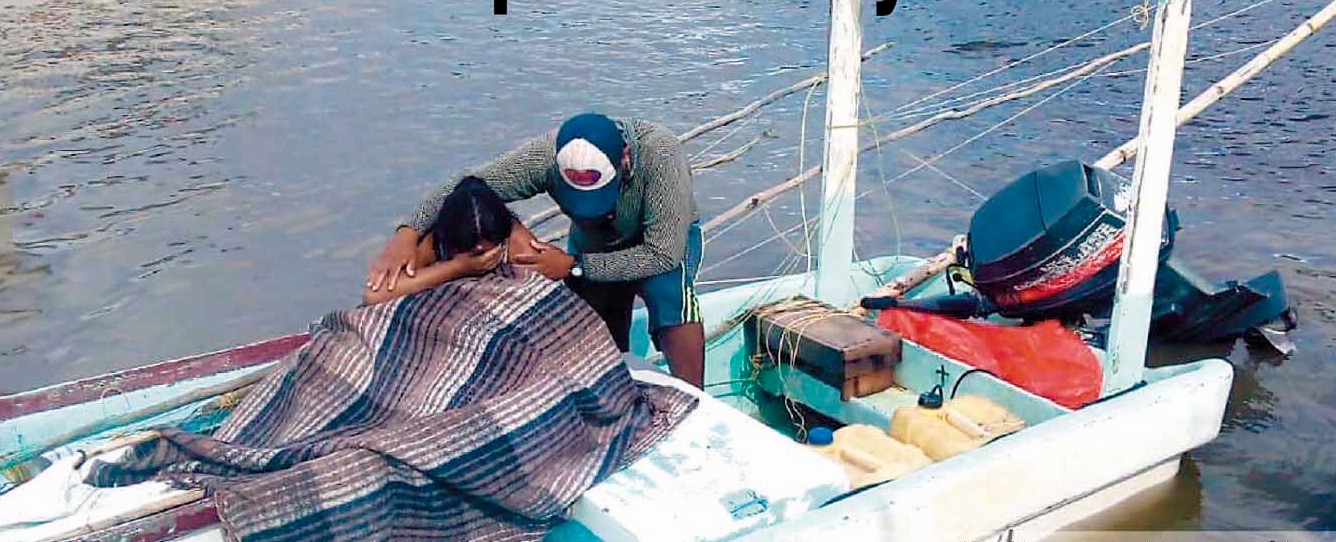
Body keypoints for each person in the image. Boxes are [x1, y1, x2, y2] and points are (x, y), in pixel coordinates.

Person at [365, 113, 705, 388]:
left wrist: (575, 266)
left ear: (625, 158)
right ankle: (615, 383)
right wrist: (407, 232)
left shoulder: (660, 155)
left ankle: (695, 399)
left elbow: (662, 253)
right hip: (593, 241)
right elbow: (468, 184)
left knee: (669, 295)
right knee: (600, 316)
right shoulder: (545, 156)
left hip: (662, 243)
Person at [361, 176, 539, 306]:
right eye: (470, 249)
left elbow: (538, 288)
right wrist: (457, 268)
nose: (480, 252)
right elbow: (373, 296)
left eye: (485, 250)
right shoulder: (435, 244)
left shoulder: (516, 242)